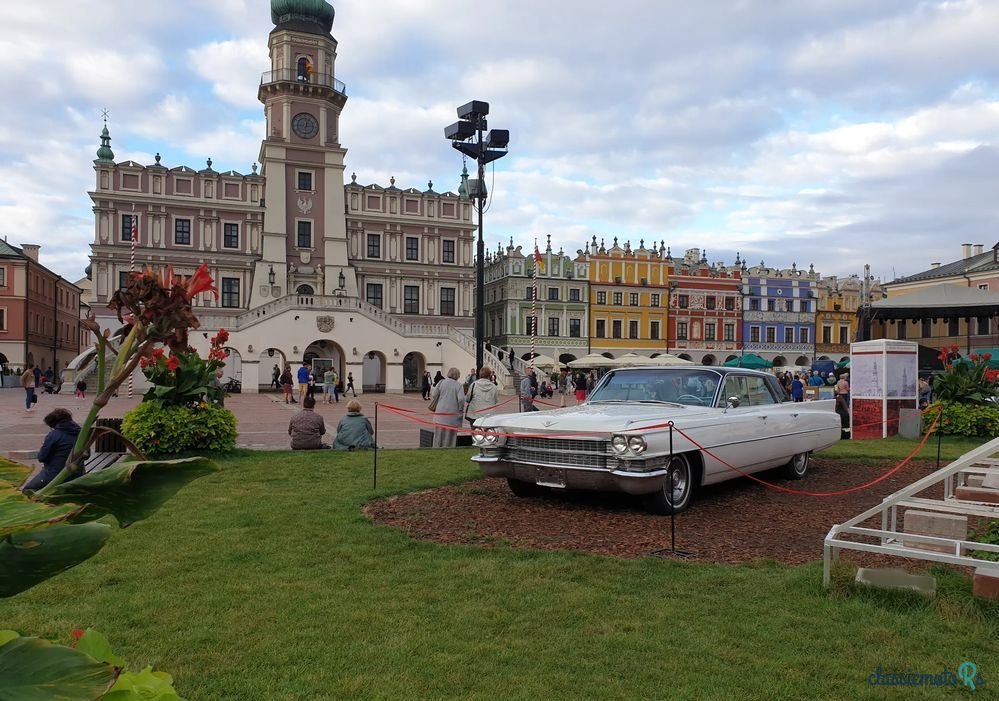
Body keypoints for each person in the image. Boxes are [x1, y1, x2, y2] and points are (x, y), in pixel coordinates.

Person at [22, 408, 83, 492]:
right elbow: (86, 456)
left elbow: (42, 457)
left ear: (53, 423)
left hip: (55, 474)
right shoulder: (81, 433)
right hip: (78, 474)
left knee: (28, 490)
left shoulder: (54, 435)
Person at [430, 367, 465, 447]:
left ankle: (437, 448)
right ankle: (449, 448)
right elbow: (461, 399)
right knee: (451, 434)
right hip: (452, 414)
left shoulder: (441, 382)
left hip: (440, 412)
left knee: (438, 434)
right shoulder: (459, 385)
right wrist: (460, 410)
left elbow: (434, 394)